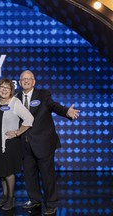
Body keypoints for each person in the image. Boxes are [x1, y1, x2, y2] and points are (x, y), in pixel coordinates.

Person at [16, 70, 80, 215]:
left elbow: (54, 106)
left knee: (47, 175)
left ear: (34, 82)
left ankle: (51, 203)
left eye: (29, 79)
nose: (26, 81)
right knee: (29, 175)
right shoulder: (17, 97)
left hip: (43, 142)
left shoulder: (44, 95)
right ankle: (35, 200)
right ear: (19, 83)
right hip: (25, 143)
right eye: (23, 79)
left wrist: (66, 112)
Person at [0, 78, 34, 211]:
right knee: (1, 172)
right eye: (2, 87)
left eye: (7, 88)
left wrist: (17, 132)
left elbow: (29, 119)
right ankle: (4, 196)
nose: (4, 89)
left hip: (9, 144)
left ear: (11, 90)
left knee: (8, 172)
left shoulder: (15, 102)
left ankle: (11, 198)